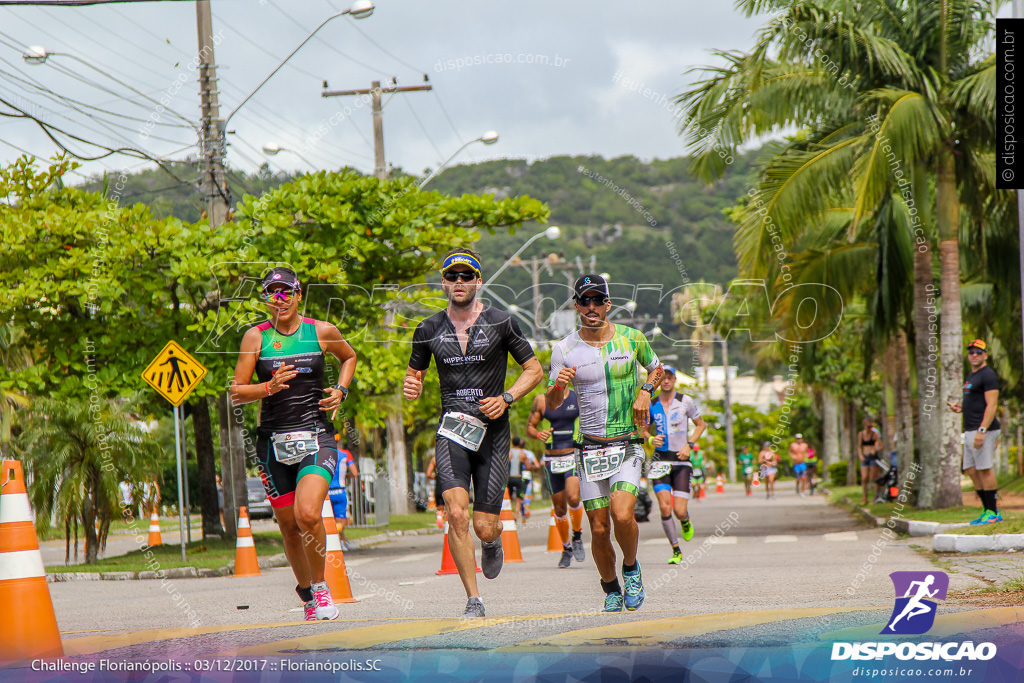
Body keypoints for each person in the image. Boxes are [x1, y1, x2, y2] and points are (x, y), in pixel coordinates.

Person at [403, 248, 543, 618]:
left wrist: (508, 397)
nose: (459, 282)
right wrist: (412, 384)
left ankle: (492, 541)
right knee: (457, 514)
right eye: (453, 277)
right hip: (452, 432)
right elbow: (413, 373)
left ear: (479, 282)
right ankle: (473, 598)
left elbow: (534, 369)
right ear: (444, 283)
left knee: (482, 526)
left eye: (467, 276)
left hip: (493, 434)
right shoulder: (428, 328)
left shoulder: (502, 322)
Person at [231, 266, 357, 621]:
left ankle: (320, 588)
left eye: (286, 291)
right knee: (287, 524)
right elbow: (237, 393)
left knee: (307, 514)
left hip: (317, 435)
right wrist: (267, 388)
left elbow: (349, 357)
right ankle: (307, 595)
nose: (280, 299)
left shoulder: (321, 331)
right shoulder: (255, 338)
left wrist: (341, 390)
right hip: (272, 443)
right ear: (266, 299)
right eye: (273, 292)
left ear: (299, 294)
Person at [547, 274, 663, 613]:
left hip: (626, 442)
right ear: (576, 306)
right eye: (585, 301)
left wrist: (645, 391)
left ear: (608, 304)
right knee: (598, 528)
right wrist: (558, 386)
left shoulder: (632, 339)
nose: (592, 307)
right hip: (588, 448)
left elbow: (656, 370)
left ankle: (631, 569)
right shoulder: (565, 349)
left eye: (598, 300)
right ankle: (610, 588)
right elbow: (552, 403)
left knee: (622, 513)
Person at [641, 365, 705, 564]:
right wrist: (651, 440)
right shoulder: (651, 404)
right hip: (660, 460)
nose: (666, 381)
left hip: (681, 460)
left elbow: (701, 424)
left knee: (678, 510)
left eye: (669, 377)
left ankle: (685, 520)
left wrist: (690, 444)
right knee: (664, 508)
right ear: (658, 381)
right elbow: (643, 430)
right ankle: (676, 550)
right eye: (662, 378)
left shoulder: (685, 401)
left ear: (675, 379)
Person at [528, 386, 586, 568]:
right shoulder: (541, 400)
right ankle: (566, 548)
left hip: (572, 455)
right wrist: (538, 434)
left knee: (573, 497)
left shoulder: (577, 397)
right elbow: (530, 426)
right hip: (551, 459)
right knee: (559, 509)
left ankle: (577, 535)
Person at [948, 339, 1002, 525]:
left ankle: (993, 512)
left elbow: (992, 404)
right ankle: (986, 509)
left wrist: (982, 430)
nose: (974, 355)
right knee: (970, 469)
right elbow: (975, 403)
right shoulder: (972, 375)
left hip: (984, 430)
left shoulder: (988, 375)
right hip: (970, 429)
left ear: (985, 355)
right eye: (971, 352)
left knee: (984, 469)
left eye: (978, 352)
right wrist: (960, 408)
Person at [328, 436, 360, 551]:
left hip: (326, 493)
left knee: (328, 520)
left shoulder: (324, 455)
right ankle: (340, 542)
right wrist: (347, 476)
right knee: (340, 520)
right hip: (340, 491)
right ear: (339, 441)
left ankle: (341, 541)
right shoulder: (345, 454)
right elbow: (355, 473)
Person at [507, 436, 533, 524]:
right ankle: (516, 515)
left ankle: (510, 514)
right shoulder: (523, 454)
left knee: (509, 498)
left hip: (510, 478)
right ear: (520, 443)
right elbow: (528, 466)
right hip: (519, 478)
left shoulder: (509, 452)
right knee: (519, 499)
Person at [858, 419, 882, 504]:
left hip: (872, 457)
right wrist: (860, 455)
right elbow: (859, 446)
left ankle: (876, 497)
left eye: (872, 426)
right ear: (865, 426)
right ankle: (864, 497)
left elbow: (880, 446)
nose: (870, 428)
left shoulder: (874, 434)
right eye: (869, 426)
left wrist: (875, 450)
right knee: (864, 478)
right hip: (864, 457)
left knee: (873, 477)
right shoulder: (861, 434)